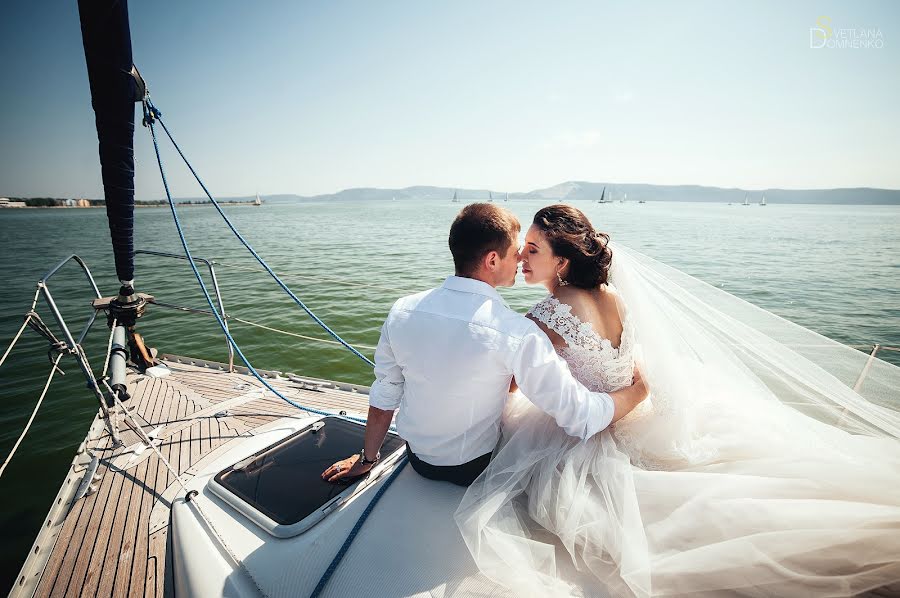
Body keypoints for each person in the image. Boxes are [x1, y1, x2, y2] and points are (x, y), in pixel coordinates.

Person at [455, 204, 900, 597]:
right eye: (522, 247)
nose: (521, 256)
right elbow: (628, 365)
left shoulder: (548, 314)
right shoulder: (612, 296)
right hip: (636, 412)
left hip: (594, 427)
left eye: (532, 249)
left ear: (563, 260)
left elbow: (511, 385)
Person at [321, 203, 649, 486]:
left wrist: (367, 458)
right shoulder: (516, 331)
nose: (521, 257)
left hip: (418, 458)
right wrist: (639, 390)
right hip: (474, 468)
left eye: (530, 250)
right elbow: (581, 415)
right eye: (516, 251)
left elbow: (385, 394)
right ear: (492, 260)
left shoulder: (401, 310)